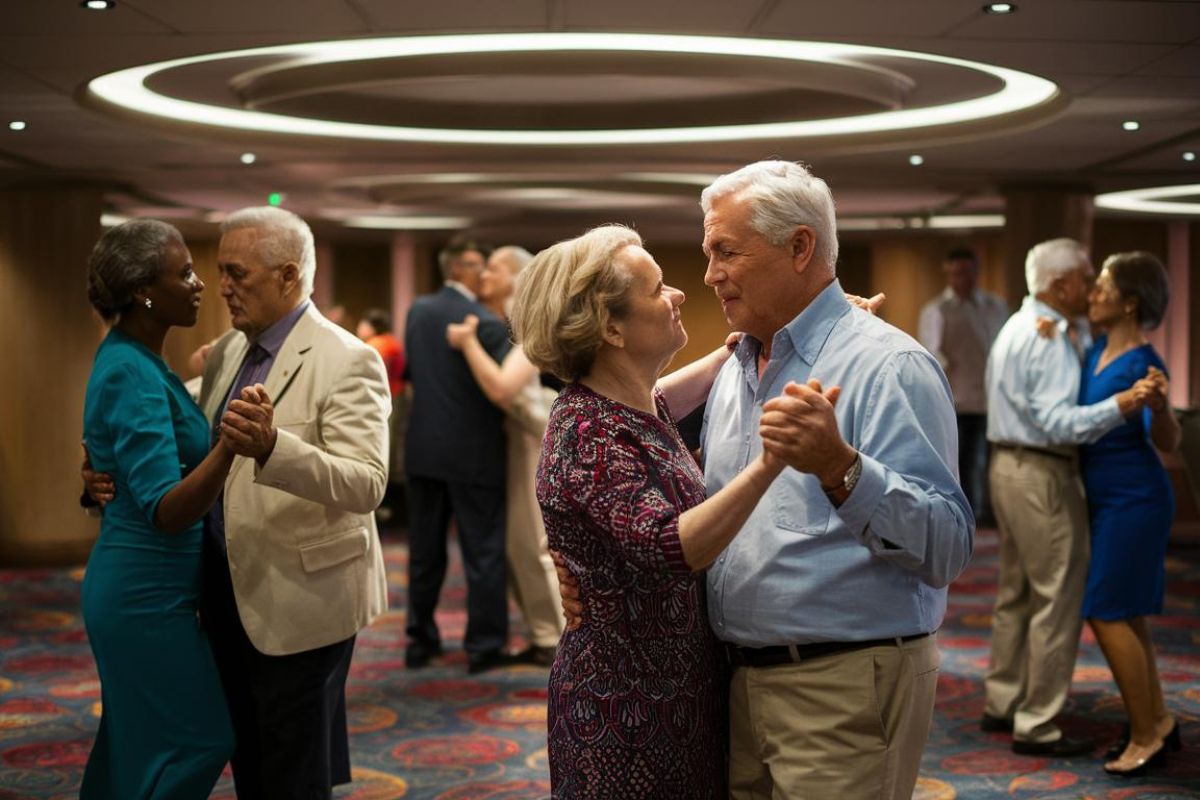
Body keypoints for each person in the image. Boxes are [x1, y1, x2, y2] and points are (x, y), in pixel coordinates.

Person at [690, 160, 973, 799]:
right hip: (739, 686)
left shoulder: (888, 364)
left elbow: (948, 547)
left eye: (725, 251)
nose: (710, 274)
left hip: (843, 685)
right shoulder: (737, 365)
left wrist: (841, 469)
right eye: (708, 253)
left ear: (799, 247)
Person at [87, 207, 392, 798]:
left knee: (293, 770)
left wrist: (276, 447)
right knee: (250, 757)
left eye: (236, 273)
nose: (219, 286)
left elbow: (367, 483)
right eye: (216, 271)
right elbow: (165, 424)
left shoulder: (348, 359)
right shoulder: (229, 349)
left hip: (303, 598)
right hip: (223, 592)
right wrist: (99, 462)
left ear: (287, 276)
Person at [511, 224, 799, 798]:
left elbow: (678, 389)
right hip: (627, 709)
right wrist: (771, 462)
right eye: (658, 288)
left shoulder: (631, 405)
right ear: (611, 327)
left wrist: (813, 330)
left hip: (676, 688)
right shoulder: (588, 433)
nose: (680, 295)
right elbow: (670, 547)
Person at [80, 219, 245, 798]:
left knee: (132, 744)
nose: (199, 284)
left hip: (147, 586)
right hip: (142, 593)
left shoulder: (138, 360)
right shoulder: (132, 369)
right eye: (185, 273)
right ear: (143, 292)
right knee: (200, 740)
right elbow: (167, 511)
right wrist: (231, 443)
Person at [982, 237, 1158, 757]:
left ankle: (1004, 700)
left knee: (1016, 594)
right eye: (1086, 276)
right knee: (1057, 598)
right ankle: (1036, 723)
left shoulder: (1023, 324)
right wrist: (1121, 405)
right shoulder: (1048, 337)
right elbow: (1058, 423)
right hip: (1041, 472)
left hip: (1007, 466)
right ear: (1061, 285)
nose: (1091, 284)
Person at [1077, 251, 1181, 775]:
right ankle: (1157, 719)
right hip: (1105, 499)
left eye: (1102, 286)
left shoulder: (1145, 362)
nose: (1093, 293)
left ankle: (1145, 735)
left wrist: (1159, 408)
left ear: (1129, 302)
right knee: (1129, 612)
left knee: (1106, 609)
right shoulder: (1095, 347)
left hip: (1136, 499)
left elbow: (1169, 440)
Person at [446, 245, 563, 665]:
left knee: (533, 543)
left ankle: (555, 638)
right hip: (517, 439)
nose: (484, 276)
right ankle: (542, 632)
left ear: (516, 277)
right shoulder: (509, 324)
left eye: (494, 268)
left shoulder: (531, 328)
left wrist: (467, 344)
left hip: (533, 440)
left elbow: (501, 388)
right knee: (519, 543)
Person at [404, 236, 515, 673]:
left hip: (424, 447)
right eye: (476, 265)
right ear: (456, 269)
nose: (482, 273)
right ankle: (484, 645)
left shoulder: (417, 312)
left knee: (423, 551)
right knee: (483, 552)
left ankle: (420, 640)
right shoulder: (485, 322)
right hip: (475, 452)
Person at [918, 247, 1009, 526]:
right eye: (956, 273)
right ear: (948, 274)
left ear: (976, 272)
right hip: (956, 401)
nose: (962, 279)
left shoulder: (995, 307)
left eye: (968, 272)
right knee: (963, 463)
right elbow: (931, 356)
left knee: (993, 463)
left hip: (993, 400)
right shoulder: (936, 310)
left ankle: (991, 514)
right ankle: (967, 517)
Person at [357, 308, 408, 521]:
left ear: (371, 326)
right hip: (399, 398)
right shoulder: (391, 341)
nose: (360, 329)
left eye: (363, 324)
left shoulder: (378, 345)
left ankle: (386, 508)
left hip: (387, 401)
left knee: (385, 449)